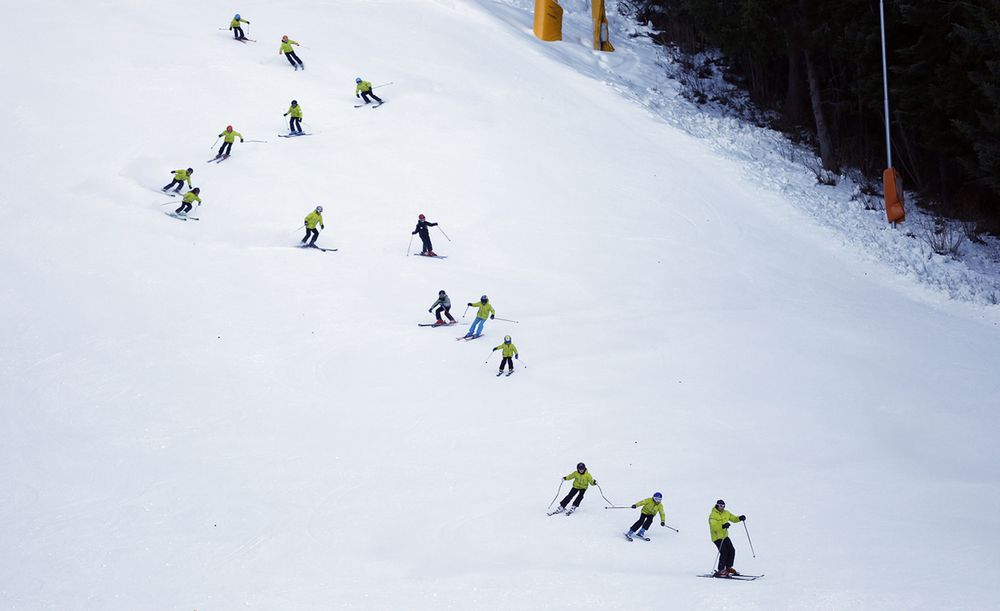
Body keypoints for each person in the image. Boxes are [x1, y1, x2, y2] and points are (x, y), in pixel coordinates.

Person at [709, 499, 746, 577]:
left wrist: (740, 518)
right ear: (717, 505)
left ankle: (728, 567)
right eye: (720, 506)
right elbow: (713, 526)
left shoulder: (726, 513)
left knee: (732, 550)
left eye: (723, 506)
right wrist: (722, 526)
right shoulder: (713, 515)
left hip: (724, 536)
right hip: (717, 537)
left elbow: (734, 519)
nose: (722, 507)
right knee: (724, 552)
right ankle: (721, 570)